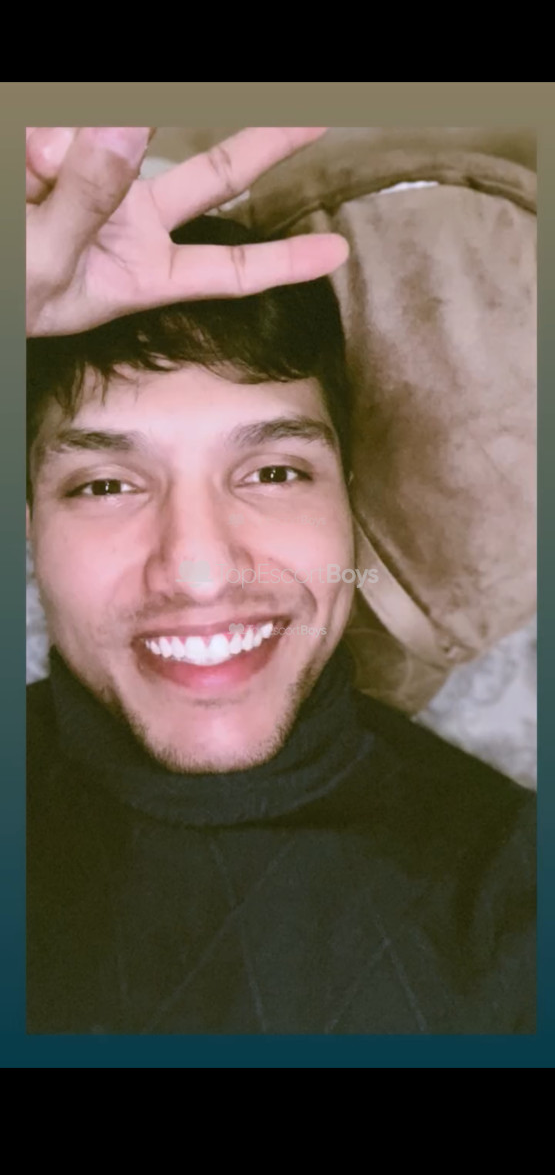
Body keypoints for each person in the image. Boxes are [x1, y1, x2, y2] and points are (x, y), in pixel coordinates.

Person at [26, 129, 535, 1034]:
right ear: (29, 521)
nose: (198, 568)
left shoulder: (515, 901)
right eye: (105, 485)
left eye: (272, 472)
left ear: (348, 497)